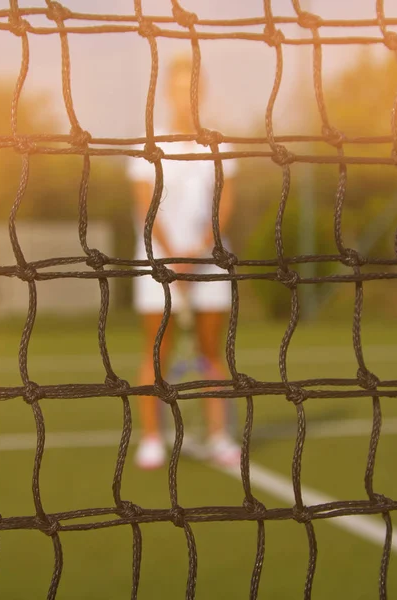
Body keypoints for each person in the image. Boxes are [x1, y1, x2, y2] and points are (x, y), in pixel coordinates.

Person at [128, 53, 241, 470]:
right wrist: (174, 257)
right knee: (157, 349)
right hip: (158, 262)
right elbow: (145, 204)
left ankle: (219, 435)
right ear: (168, 94)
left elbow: (226, 199)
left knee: (212, 349)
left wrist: (201, 252)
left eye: (192, 88)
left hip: (210, 260)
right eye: (178, 89)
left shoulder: (219, 143)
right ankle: (152, 439)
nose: (184, 97)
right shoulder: (150, 144)